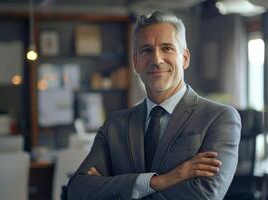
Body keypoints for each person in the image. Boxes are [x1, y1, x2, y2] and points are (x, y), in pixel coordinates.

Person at [67, 11, 241, 200]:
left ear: (185, 58)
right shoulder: (115, 125)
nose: (157, 60)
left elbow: (205, 195)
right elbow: (77, 190)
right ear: (136, 63)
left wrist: (115, 190)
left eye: (167, 48)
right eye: (146, 50)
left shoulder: (219, 117)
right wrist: (160, 181)